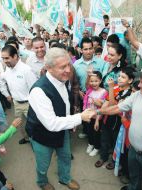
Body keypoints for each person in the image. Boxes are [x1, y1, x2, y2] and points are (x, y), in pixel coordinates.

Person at [25, 47, 95, 190]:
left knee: (65, 156)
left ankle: (65, 178)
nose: (68, 70)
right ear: (48, 68)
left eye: (68, 64)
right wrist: (79, 118)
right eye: (62, 67)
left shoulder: (62, 79)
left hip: (62, 130)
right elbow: (51, 123)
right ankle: (42, 182)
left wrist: (71, 119)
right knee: (43, 164)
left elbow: (65, 102)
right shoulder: (38, 91)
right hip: (42, 135)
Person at [0, 45, 37, 145]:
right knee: (21, 124)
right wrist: (7, 94)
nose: (5, 61)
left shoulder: (26, 70)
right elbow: (3, 77)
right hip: (16, 103)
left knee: (33, 125)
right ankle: (27, 138)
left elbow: (34, 89)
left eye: (7, 58)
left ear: (15, 56)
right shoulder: (8, 68)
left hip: (29, 104)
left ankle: (36, 142)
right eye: (3, 58)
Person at [74, 37, 108, 139]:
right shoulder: (76, 65)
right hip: (84, 95)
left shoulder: (101, 63)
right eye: (85, 49)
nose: (88, 51)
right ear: (81, 50)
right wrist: (79, 90)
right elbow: (75, 81)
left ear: (94, 49)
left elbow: (105, 79)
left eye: (90, 48)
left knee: (96, 116)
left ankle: (95, 137)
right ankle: (86, 132)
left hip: (98, 96)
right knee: (85, 114)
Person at [83, 71, 107, 156]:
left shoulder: (104, 92)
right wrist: (88, 75)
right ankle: (91, 144)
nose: (93, 83)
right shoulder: (89, 90)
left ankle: (96, 147)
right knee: (89, 131)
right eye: (91, 81)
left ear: (100, 81)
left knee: (96, 133)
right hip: (88, 116)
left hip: (97, 118)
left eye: (96, 81)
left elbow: (102, 106)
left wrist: (97, 120)